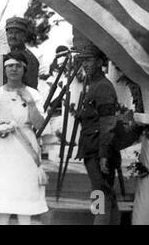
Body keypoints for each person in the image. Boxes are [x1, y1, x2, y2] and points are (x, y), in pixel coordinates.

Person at [0, 52, 48, 225]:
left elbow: (40, 124)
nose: (13, 69)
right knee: (3, 193)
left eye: (18, 66)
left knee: (23, 194)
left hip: (24, 148)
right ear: (4, 69)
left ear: (24, 69)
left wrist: (31, 103)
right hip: (1, 147)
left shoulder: (33, 93)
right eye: (10, 66)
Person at [75, 45, 120, 225]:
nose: (84, 64)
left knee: (99, 194)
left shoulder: (102, 87)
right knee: (105, 192)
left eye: (89, 60)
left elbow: (108, 123)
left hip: (99, 150)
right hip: (93, 147)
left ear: (100, 62)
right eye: (83, 60)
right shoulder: (94, 84)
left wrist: (103, 155)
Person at [4, 16, 39, 89]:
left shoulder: (30, 60)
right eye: (10, 33)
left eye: (17, 33)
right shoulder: (3, 55)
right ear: (6, 35)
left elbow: (30, 89)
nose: (13, 36)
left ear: (24, 35)